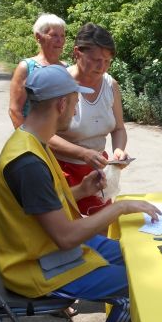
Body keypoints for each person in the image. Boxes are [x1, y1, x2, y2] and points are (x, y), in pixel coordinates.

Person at [0, 64, 161, 322]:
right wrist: (120, 208)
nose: (75, 109)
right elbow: (66, 237)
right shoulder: (27, 162)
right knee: (137, 287)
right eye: (75, 102)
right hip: (36, 265)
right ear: (61, 104)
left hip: (46, 248)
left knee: (137, 256)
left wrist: (83, 189)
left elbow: (43, 205)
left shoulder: (31, 140)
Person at [48, 23, 129, 216]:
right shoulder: (59, 83)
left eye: (107, 61)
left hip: (97, 171)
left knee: (101, 225)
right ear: (77, 53)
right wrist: (82, 153)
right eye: (96, 60)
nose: (102, 67)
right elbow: (43, 134)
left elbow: (118, 128)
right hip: (62, 169)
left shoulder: (111, 85)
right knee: (66, 226)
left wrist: (118, 150)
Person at [8, 13, 66, 128]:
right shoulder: (26, 67)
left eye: (62, 35)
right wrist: (29, 137)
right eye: (54, 35)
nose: (60, 40)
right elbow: (15, 111)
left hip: (63, 135)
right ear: (38, 37)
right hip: (34, 134)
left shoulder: (66, 68)